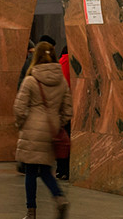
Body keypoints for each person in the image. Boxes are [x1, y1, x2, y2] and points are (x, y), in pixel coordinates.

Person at [14, 41, 71, 219]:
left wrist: (21, 124)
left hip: (32, 130)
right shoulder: (61, 82)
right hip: (50, 131)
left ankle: (31, 212)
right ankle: (60, 198)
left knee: (30, 172)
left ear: (36, 57)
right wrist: (57, 123)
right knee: (46, 171)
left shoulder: (31, 80)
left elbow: (19, 107)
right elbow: (68, 110)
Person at [55, 45, 71, 180]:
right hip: (66, 108)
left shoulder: (59, 63)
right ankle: (65, 170)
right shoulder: (69, 64)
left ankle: (60, 169)